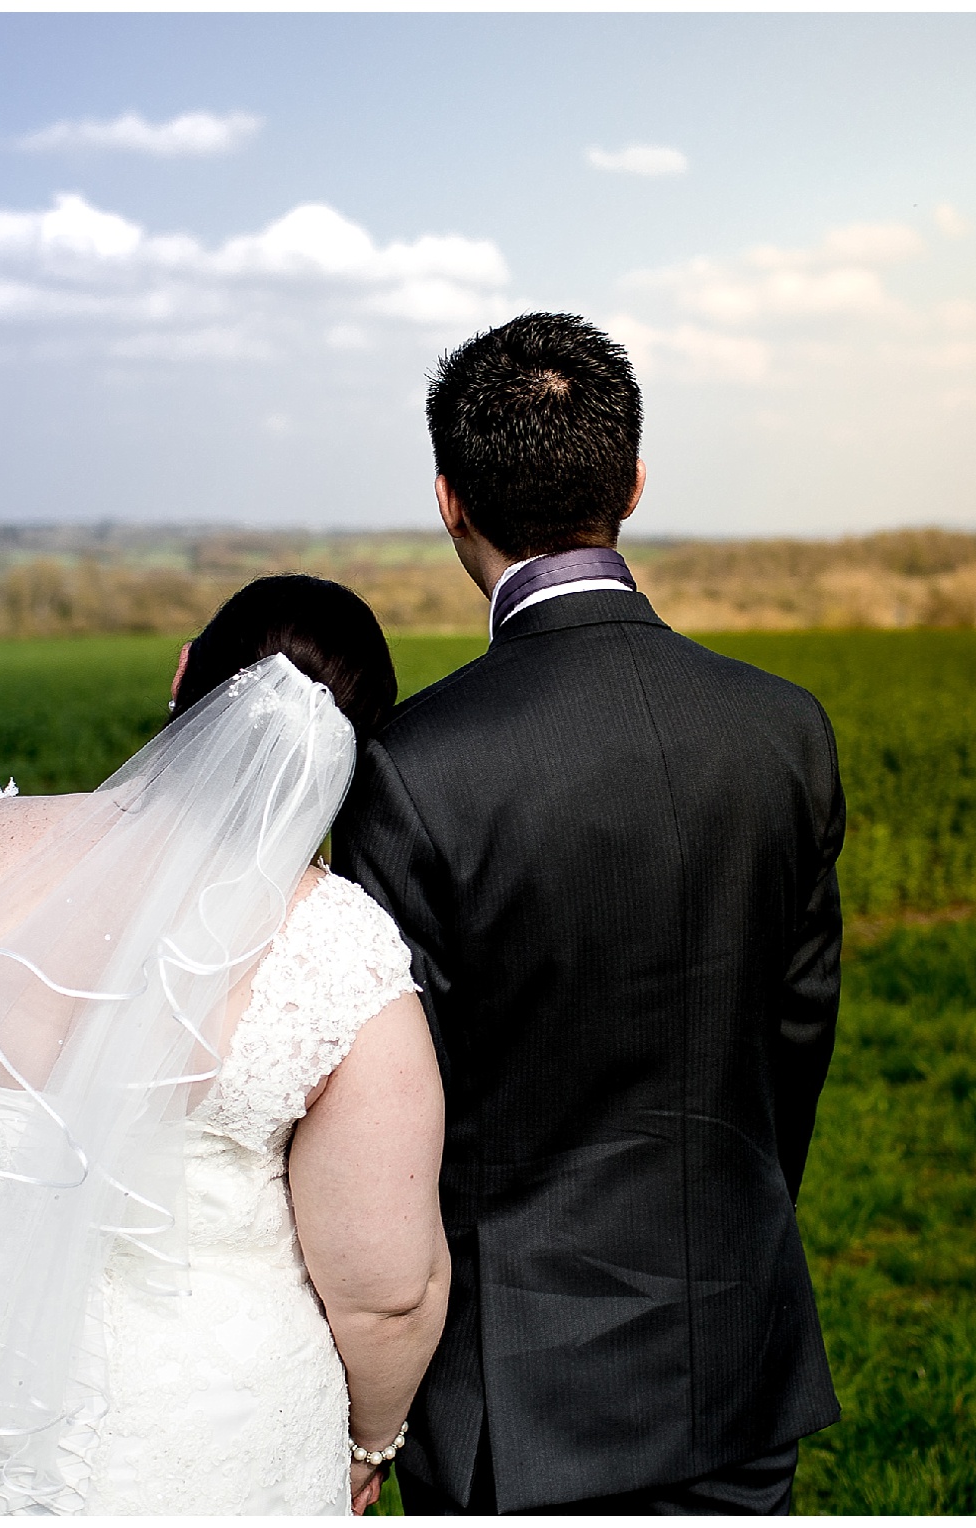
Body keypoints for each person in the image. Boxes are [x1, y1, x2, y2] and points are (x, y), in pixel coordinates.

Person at [0, 575, 450, 1516]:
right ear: (350, 757)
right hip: (201, 1418)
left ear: (182, 673)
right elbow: (386, 1289)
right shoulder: (339, 952)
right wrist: (369, 1441)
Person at [334, 313, 846, 1514]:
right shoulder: (786, 729)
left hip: (518, 1390)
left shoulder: (416, 768)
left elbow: (397, 1112)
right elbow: (795, 1040)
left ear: (451, 501)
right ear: (634, 481)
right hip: (738, 1337)